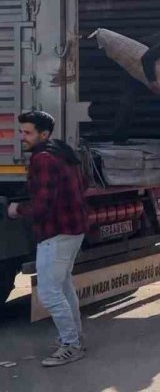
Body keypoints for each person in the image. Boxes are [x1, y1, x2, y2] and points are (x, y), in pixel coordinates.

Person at [7, 111, 89, 367]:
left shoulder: (42, 159)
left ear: (44, 134)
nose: (22, 137)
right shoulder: (63, 152)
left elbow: (43, 205)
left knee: (49, 292)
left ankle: (71, 345)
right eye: (21, 131)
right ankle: (74, 338)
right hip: (73, 229)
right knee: (63, 287)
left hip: (56, 233)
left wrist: (17, 209)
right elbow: (84, 184)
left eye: (27, 132)